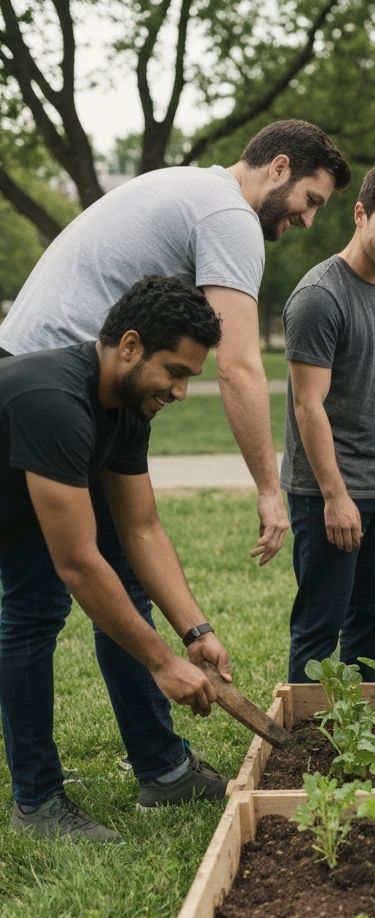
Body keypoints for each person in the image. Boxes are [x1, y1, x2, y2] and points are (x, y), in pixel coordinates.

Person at [0, 120, 349, 801]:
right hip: (51, 394)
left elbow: (144, 528)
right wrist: (268, 488)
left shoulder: (192, 192)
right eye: (310, 200)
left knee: (122, 575)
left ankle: (156, 764)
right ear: (278, 168)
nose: (306, 221)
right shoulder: (230, 216)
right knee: (43, 599)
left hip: (93, 385)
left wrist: (195, 631)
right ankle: (47, 794)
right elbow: (241, 365)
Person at [0, 277, 232, 842]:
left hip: (17, 508)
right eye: (174, 372)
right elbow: (79, 563)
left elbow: (141, 528)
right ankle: (37, 803)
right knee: (32, 618)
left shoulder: (127, 407)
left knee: (38, 612)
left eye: (189, 378)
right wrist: (160, 663)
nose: (179, 392)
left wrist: (193, 630)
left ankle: (59, 789)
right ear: (129, 346)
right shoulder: (54, 400)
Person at [282, 163, 375, 682]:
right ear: (360, 213)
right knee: (320, 627)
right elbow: (309, 405)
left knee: (372, 623)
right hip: (329, 490)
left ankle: (358, 735)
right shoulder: (318, 298)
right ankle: (304, 743)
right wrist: (334, 495)